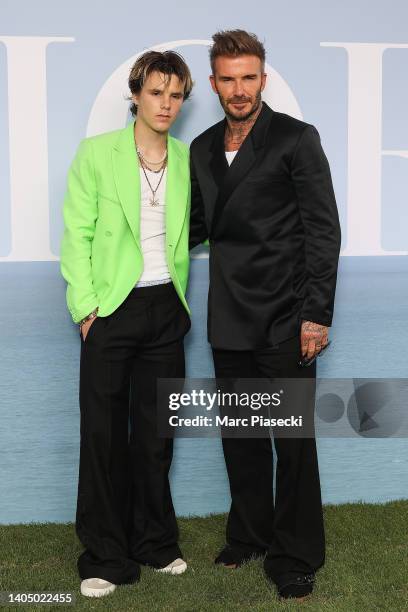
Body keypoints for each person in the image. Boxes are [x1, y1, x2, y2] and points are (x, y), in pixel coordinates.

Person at [189, 30, 341, 601]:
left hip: (286, 315)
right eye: (227, 79)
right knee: (242, 437)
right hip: (228, 315)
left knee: (293, 442)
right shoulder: (202, 147)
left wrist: (316, 314)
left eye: (247, 77)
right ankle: (250, 535)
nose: (238, 89)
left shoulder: (296, 139)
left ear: (263, 79)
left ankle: (297, 553)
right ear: (213, 83)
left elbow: (323, 231)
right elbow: (196, 228)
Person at [60, 50, 193, 598]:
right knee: (104, 436)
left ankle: (155, 543)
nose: (166, 104)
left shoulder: (186, 158)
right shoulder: (97, 154)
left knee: (156, 438)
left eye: (176, 94)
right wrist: (87, 307)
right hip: (111, 310)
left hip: (166, 310)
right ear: (136, 93)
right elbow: (77, 235)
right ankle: (104, 556)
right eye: (157, 92)